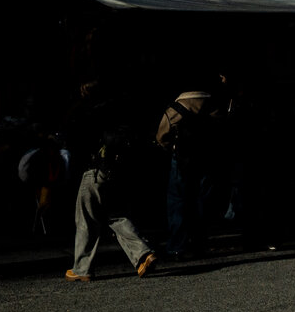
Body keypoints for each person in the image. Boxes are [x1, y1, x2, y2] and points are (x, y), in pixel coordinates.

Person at [65, 82, 158, 282]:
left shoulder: (92, 112)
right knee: (116, 215)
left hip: (95, 169)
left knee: (86, 218)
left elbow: (73, 131)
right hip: (117, 171)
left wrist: (81, 102)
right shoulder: (122, 109)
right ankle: (143, 253)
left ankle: (82, 268)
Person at [156, 78, 225, 258]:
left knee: (177, 201)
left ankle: (177, 246)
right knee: (202, 201)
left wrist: (172, 147)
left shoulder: (175, 109)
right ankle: (199, 243)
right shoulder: (213, 106)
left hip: (181, 157)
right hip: (207, 157)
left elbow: (161, 137)